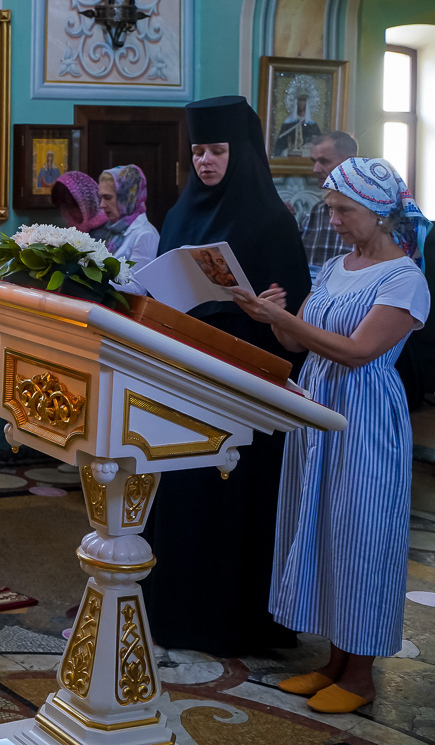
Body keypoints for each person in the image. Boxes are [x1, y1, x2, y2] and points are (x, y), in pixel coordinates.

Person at [230, 158, 428, 714]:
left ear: (379, 212)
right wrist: (274, 316)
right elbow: (300, 347)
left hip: (363, 417)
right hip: (318, 408)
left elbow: (358, 351)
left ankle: (361, 676)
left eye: (343, 209)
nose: (333, 218)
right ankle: (334, 663)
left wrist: (288, 323)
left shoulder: (405, 278)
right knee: (320, 528)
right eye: (331, 208)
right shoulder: (337, 265)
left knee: (362, 537)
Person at [142, 95, 312, 655]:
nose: (205, 162)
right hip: (185, 376)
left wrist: (267, 307)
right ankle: (175, 610)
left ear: (240, 152)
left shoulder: (269, 218)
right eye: (197, 151)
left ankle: (232, 619)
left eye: (216, 151)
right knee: (183, 493)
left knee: (234, 496)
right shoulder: (179, 214)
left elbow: (295, 310)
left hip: (244, 381)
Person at [297, 131, 356, 279]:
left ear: (349, 162)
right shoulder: (317, 211)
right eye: (314, 161)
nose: (315, 169)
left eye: (324, 161)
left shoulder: (369, 212)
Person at [99, 164, 158, 265]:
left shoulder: (145, 235)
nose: (102, 205)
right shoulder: (114, 230)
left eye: (108, 198)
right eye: (101, 198)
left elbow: (138, 279)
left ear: (127, 198)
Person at [49, 171, 109, 236]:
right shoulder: (77, 230)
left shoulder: (104, 233)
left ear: (87, 204)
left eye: (70, 209)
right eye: (62, 209)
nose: (66, 215)